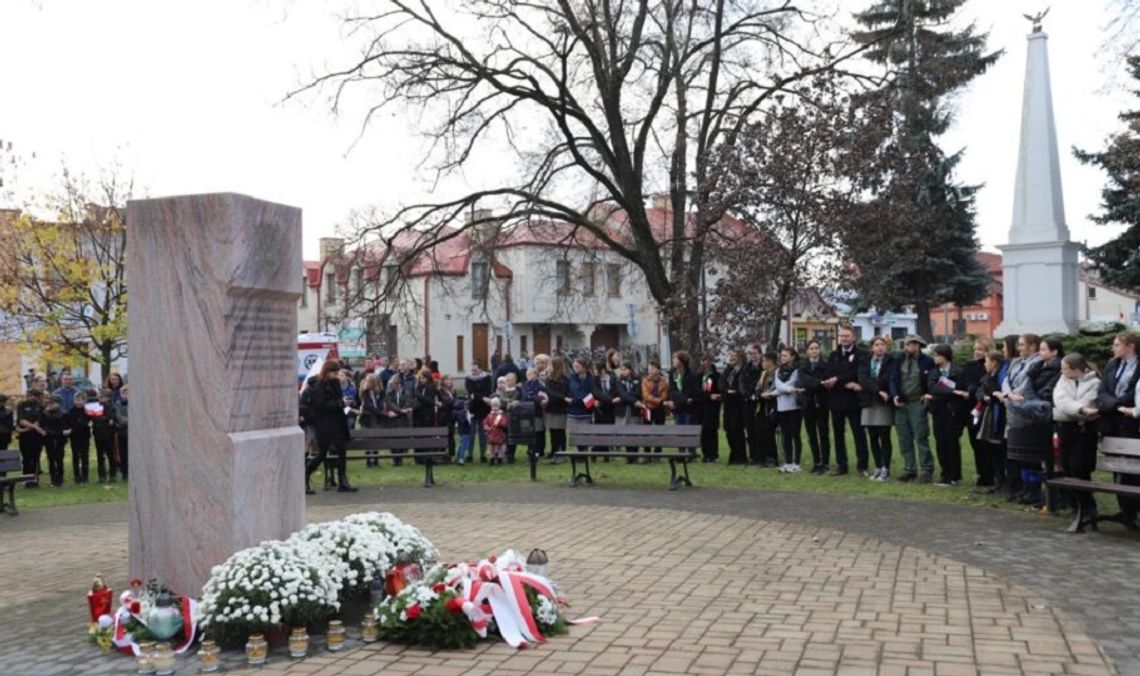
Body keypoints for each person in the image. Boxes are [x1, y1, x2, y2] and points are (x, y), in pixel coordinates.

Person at [1053, 353, 1102, 517]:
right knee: (1066, 466)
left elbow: (1088, 403)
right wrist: (1079, 410)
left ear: (1075, 369)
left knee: (1079, 468)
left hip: (1084, 431)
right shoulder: (1063, 381)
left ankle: (1088, 505)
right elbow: (1060, 401)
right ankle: (1075, 505)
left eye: (1065, 369)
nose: (1062, 372)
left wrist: (1078, 410)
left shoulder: (1094, 383)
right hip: (1065, 428)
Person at [304, 361, 357, 494]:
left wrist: (343, 403)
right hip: (325, 425)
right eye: (334, 373)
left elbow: (337, 400)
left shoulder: (335, 383)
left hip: (338, 423)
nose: (336, 375)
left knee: (342, 452)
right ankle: (305, 477)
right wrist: (340, 402)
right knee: (321, 454)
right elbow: (321, 405)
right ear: (327, 372)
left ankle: (343, 481)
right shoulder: (318, 386)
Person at [823, 327, 869, 476]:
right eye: (841, 336)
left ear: (853, 337)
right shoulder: (833, 355)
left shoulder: (862, 354)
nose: (844, 338)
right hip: (836, 400)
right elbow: (829, 374)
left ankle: (862, 467)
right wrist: (844, 383)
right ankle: (841, 465)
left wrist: (838, 379)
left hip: (854, 401)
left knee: (859, 434)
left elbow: (857, 373)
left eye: (847, 336)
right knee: (838, 434)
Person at [890, 335, 936, 483]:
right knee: (904, 437)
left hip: (917, 403)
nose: (907, 347)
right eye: (906, 344)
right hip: (902, 403)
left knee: (921, 436)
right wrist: (895, 395)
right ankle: (909, 468)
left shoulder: (927, 361)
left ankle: (926, 469)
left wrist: (928, 394)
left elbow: (933, 379)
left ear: (918, 345)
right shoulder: (899, 359)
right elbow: (893, 379)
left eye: (910, 344)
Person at [925, 344, 969, 487]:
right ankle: (945, 473)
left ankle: (954, 475)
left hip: (952, 411)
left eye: (936, 355)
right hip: (938, 411)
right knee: (940, 443)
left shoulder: (958, 371)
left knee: (952, 443)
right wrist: (952, 392)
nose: (934, 358)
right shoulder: (933, 372)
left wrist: (951, 391)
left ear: (944, 355)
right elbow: (933, 388)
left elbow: (961, 388)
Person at [859, 337, 895, 481]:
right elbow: (863, 379)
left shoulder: (891, 361)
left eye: (882, 345)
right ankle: (878, 466)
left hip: (883, 402)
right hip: (869, 401)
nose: (880, 347)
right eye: (876, 345)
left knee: (884, 436)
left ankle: (886, 468)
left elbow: (887, 378)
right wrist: (877, 390)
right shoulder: (865, 361)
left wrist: (876, 387)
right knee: (872, 436)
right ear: (871, 347)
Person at [975, 350, 1009, 494]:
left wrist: (992, 394)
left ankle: (1007, 482)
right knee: (993, 449)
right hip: (990, 415)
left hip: (1001, 416)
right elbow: (980, 390)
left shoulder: (1001, 377)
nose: (984, 364)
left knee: (1002, 450)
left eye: (987, 361)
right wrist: (984, 396)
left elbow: (998, 391)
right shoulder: (987, 377)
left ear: (994, 362)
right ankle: (999, 481)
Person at [963, 338, 995, 487]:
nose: (977, 352)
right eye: (975, 349)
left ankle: (991, 474)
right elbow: (967, 382)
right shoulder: (970, 365)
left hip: (987, 407)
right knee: (975, 442)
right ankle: (981, 473)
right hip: (972, 407)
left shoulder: (991, 366)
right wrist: (973, 389)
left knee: (987, 444)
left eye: (980, 349)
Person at [798, 340, 831, 474]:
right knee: (811, 434)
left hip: (822, 403)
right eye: (811, 348)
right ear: (807, 351)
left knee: (823, 433)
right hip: (808, 403)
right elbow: (804, 380)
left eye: (816, 348)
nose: (814, 351)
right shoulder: (803, 366)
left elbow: (826, 380)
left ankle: (825, 463)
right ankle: (816, 461)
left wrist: (817, 383)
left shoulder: (825, 365)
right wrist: (819, 382)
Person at [772, 346, 803, 473]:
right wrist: (786, 390)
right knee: (786, 435)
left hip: (795, 406)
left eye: (785, 355)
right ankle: (788, 462)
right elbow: (779, 385)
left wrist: (786, 390)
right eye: (782, 355)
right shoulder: (778, 371)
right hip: (782, 407)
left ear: (792, 356)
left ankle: (797, 462)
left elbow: (792, 383)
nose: (782, 357)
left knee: (795, 434)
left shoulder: (797, 370)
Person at [720, 349, 748, 465]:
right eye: (729, 356)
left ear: (739, 357)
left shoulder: (743, 369)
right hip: (728, 402)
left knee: (737, 430)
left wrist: (735, 391)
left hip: (738, 403)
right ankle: (733, 454)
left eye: (733, 356)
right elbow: (721, 383)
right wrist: (726, 390)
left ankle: (741, 456)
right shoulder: (728, 370)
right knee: (728, 430)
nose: (731, 358)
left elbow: (742, 384)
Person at [465, 360, 494, 462]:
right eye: (472, 369)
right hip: (473, 408)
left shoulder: (487, 378)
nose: (473, 371)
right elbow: (470, 391)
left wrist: (477, 395)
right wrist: (481, 397)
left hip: (484, 409)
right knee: (471, 432)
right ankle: (470, 454)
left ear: (480, 368)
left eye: (475, 369)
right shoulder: (468, 379)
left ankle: (483, 454)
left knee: (483, 433)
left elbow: (488, 390)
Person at [640, 359, 670, 459]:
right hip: (648, 408)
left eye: (653, 369)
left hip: (660, 409)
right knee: (646, 431)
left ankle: (658, 453)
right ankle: (647, 453)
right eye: (649, 369)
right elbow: (645, 395)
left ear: (658, 370)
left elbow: (665, 395)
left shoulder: (664, 381)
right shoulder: (645, 381)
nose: (650, 371)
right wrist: (657, 401)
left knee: (659, 430)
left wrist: (660, 401)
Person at [541, 356, 570, 460]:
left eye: (549, 365)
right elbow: (549, 392)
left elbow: (565, 393)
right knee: (553, 431)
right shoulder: (549, 379)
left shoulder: (566, 380)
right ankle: (554, 450)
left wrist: (562, 398)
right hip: (551, 408)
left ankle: (562, 450)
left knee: (560, 431)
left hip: (561, 409)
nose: (548, 367)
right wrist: (562, 397)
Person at [16, 389, 45, 488]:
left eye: (31, 396)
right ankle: (26, 479)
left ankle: (34, 479)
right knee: (26, 458)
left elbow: (39, 420)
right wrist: (34, 427)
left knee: (35, 458)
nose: (29, 397)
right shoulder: (21, 405)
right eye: (28, 395)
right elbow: (21, 420)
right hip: (25, 436)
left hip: (37, 437)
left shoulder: (40, 406)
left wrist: (35, 427)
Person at [615, 361, 644, 460]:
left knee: (634, 431)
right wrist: (635, 401)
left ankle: (635, 454)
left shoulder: (637, 380)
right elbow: (622, 394)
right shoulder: (618, 381)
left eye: (625, 369)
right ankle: (628, 455)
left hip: (634, 410)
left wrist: (633, 399)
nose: (623, 371)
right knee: (626, 432)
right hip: (624, 409)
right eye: (621, 369)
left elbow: (638, 392)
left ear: (630, 370)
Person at [755, 351, 779, 467]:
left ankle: (772, 457)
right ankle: (762, 457)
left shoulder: (776, 373)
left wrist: (768, 393)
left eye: (764, 360)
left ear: (770, 361)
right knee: (760, 431)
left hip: (773, 405)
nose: (762, 363)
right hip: (762, 405)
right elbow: (757, 387)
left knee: (769, 431)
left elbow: (775, 387)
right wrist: (759, 393)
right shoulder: (763, 374)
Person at [740, 344, 763, 465]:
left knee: (759, 429)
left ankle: (760, 455)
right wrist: (747, 395)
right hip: (748, 402)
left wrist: (757, 394)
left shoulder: (763, 367)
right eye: (751, 353)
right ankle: (753, 455)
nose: (753, 356)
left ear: (760, 354)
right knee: (749, 430)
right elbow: (742, 383)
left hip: (760, 401)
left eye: (755, 353)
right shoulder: (746, 367)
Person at [357, 373, 385, 467]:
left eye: (368, 381)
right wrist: (379, 412)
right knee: (367, 440)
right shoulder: (365, 392)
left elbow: (381, 405)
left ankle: (376, 460)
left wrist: (379, 412)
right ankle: (368, 460)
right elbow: (368, 405)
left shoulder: (381, 392)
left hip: (377, 419)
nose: (366, 382)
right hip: (367, 418)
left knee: (376, 440)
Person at [41, 395, 68, 487]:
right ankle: (53, 479)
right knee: (51, 459)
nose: (50, 405)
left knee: (59, 459)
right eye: (49, 403)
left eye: (52, 403)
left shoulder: (63, 413)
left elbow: (64, 427)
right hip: (49, 438)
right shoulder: (45, 413)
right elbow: (43, 425)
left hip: (59, 438)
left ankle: (60, 478)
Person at [567, 357, 595, 450]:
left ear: (584, 367)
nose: (575, 368)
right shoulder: (572, 378)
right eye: (574, 366)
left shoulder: (590, 379)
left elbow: (591, 393)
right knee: (576, 434)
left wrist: (575, 400)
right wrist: (586, 400)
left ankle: (584, 452)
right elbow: (576, 392)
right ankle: (580, 453)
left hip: (586, 411)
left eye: (577, 366)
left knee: (585, 433)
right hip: (574, 410)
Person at [698, 354, 721, 463]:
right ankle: (706, 453)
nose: (704, 363)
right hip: (702, 407)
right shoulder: (699, 377)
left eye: (706, 361)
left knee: (712, 431)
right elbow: (698, 392)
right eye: (702, 361)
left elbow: (719, 389)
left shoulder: (716, 376)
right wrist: (708, 396)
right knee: (703, 431)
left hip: (713, 408)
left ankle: (713, 454)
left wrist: (716, 396)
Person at [91, 389, 117, 483]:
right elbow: (94, 418)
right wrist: (105, 419)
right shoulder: (96, 406)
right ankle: (101, 475)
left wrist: (104, 419)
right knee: (100, 455)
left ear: (108, 398)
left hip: (108, 434)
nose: (100, 398)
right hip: (98, 433)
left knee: (110, 454)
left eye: (103, 396)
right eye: (99, 396)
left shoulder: (112, 407)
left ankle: (112, 475)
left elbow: (112, 419)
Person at [67, 390, 92, 484]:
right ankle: (77, 476)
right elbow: (71, 423)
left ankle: (85, 476)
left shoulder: (88, 410)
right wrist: (78, 425)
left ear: (85, 400)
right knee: (76, 456)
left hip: (85, 436)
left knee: (85, 456)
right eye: (77, 400)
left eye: (81, 400)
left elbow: (87, 422)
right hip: (74, 437)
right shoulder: (71, 411)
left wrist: (79, 424)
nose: (78, 402)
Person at [483, 398, 509, 465]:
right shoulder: (489, 415)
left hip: (499, 434)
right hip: (491, 434)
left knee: (500, 447)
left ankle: (500, 459)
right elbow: (485, 423)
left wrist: (501, 423)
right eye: (493, 406)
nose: (494, 408)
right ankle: (492, 459)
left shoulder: (501, 415)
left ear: (499, 406)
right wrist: (487, 428)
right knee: (492, 448)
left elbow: (505, 423)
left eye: (496, 406)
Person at [113, 385, 131, 481]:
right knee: (123, 453)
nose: (125, 395)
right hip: (122, 432)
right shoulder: (118, 404)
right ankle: (125, 473)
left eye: (127, 392)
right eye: (123, 393)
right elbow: (119, 418)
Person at [454, 398, 474, 465]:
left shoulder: (462, 412)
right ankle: (461, 459)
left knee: (462, 444)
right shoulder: (461, 413)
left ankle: (457, 458)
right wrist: (468, 418)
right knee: (464, 445)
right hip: (464, 431)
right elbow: (463, 421)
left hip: (464, 431)